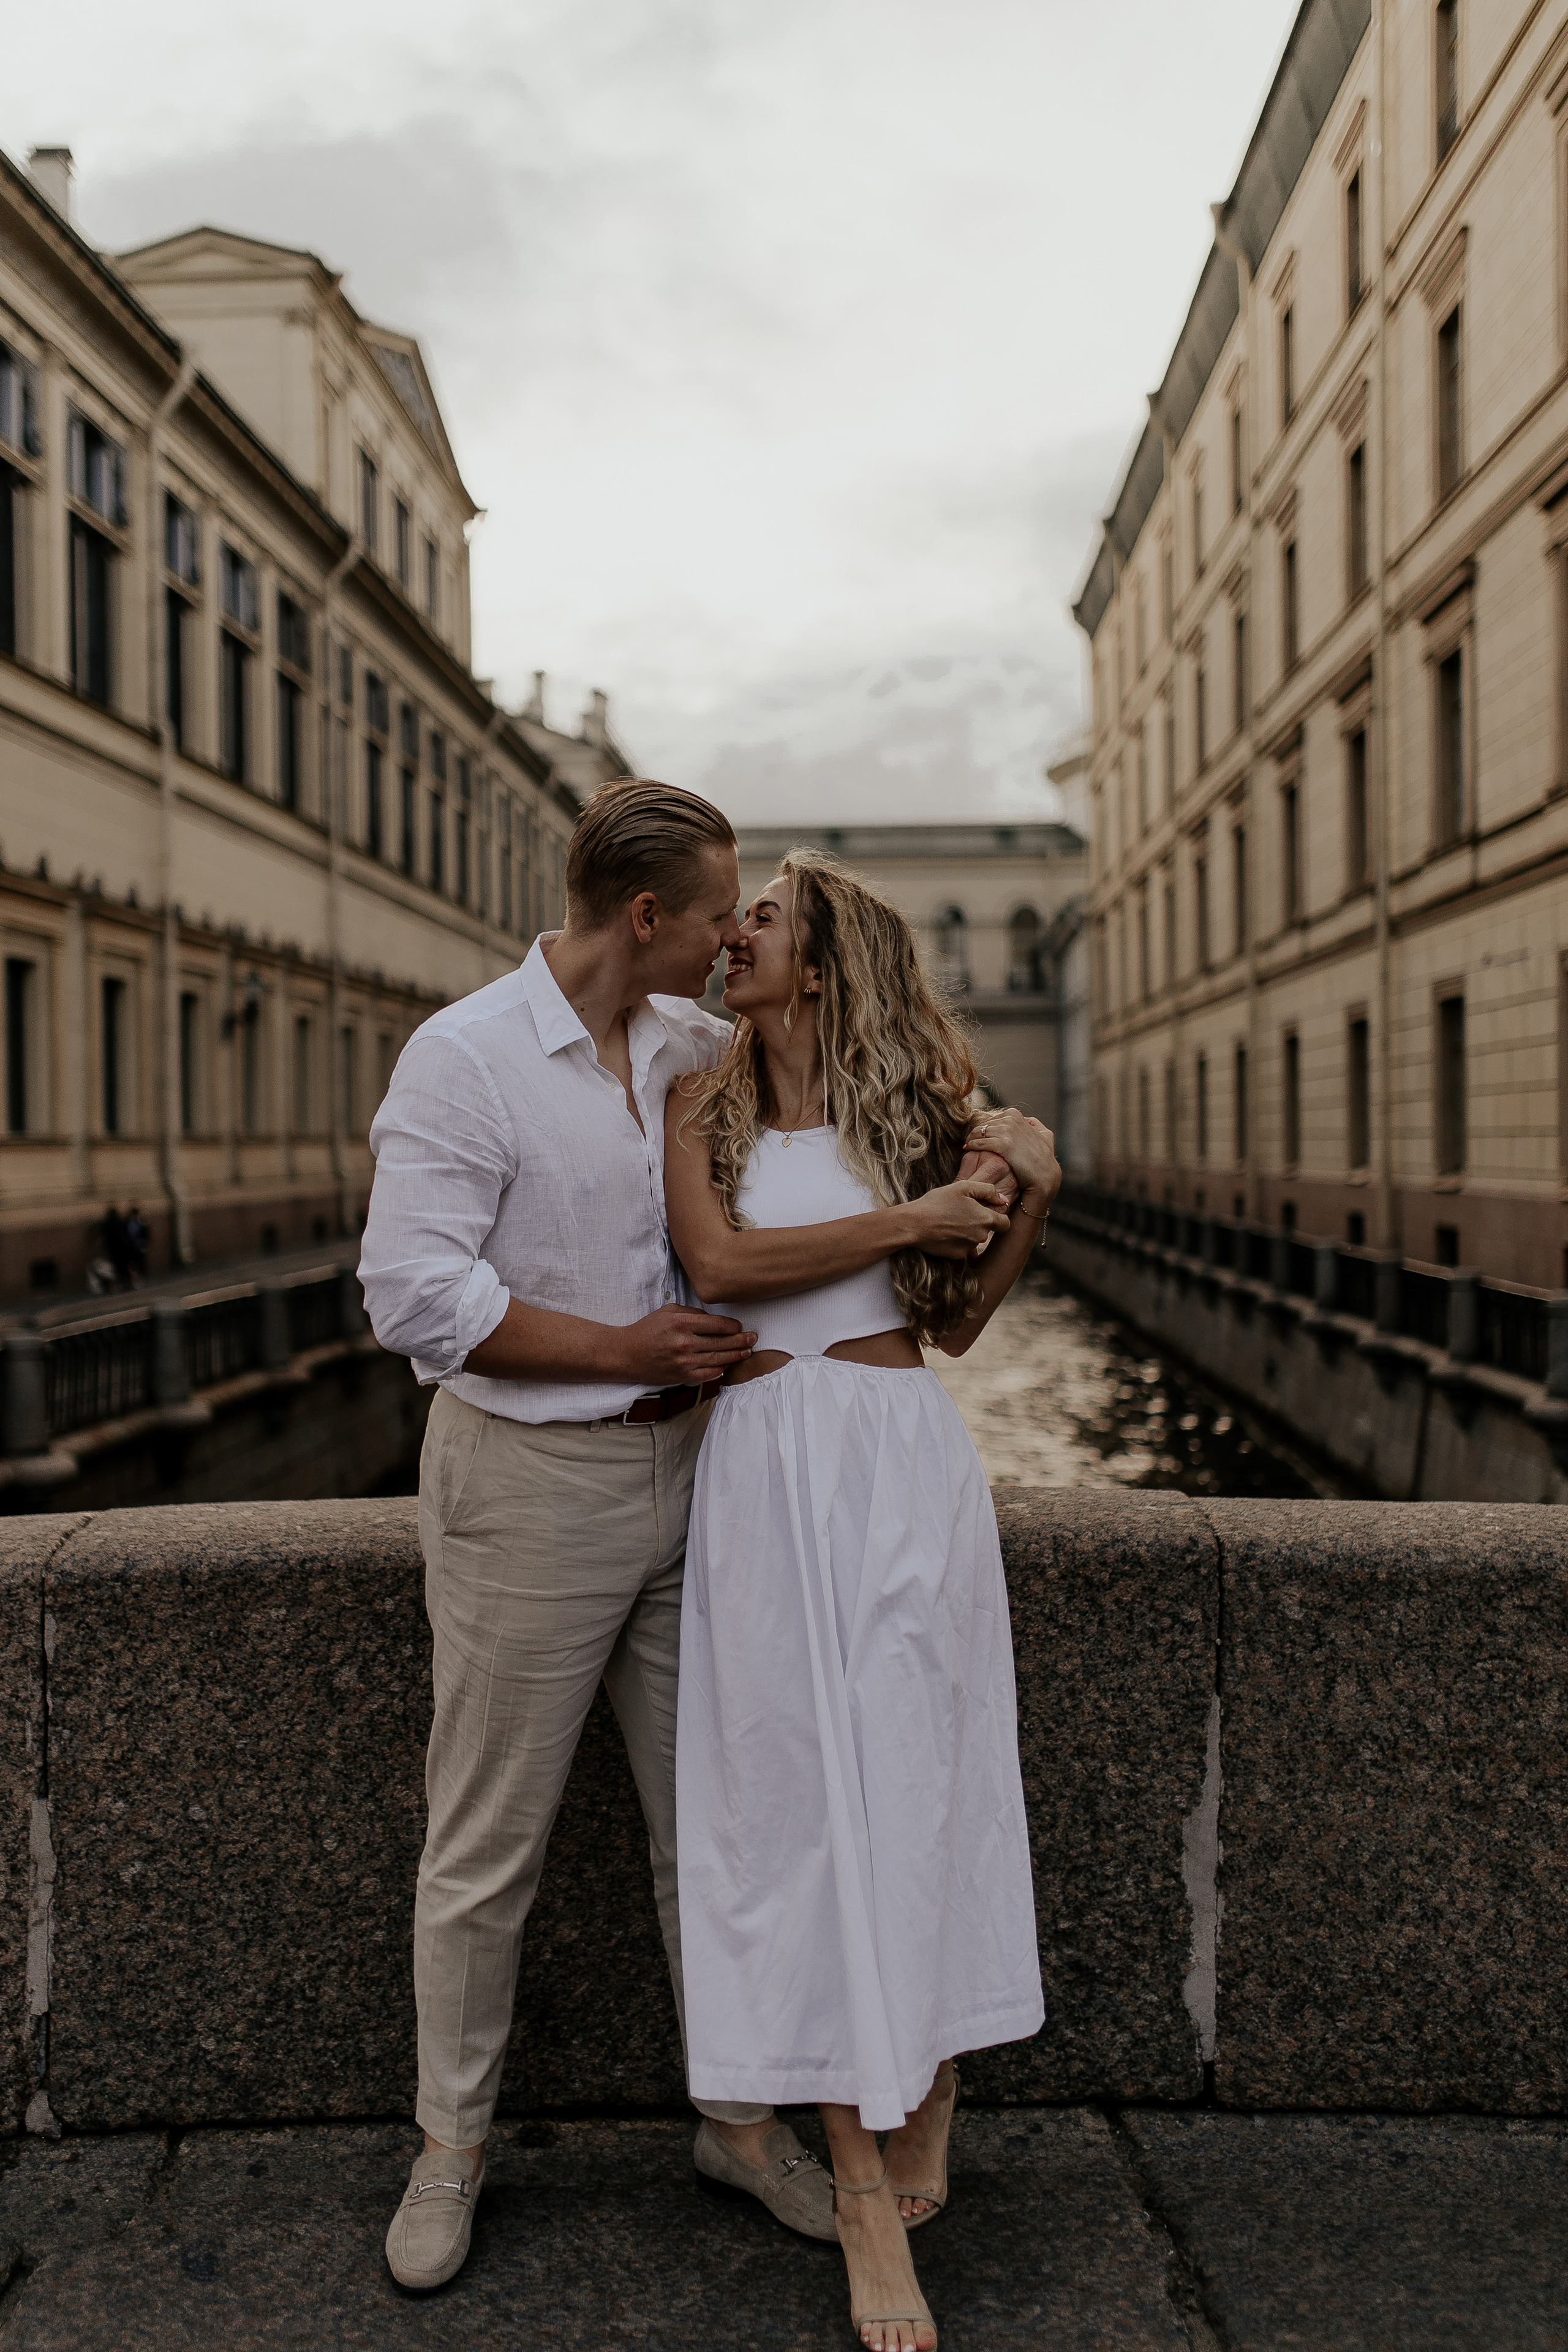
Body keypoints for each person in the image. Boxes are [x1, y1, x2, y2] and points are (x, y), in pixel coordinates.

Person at [358, 782, 1011, 2294]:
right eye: (720, 911)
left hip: (711, 1485)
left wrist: (999, 1139)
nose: (735, 939)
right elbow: (414, 1299)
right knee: (484, 1844)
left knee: (724, 1830)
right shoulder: (462, 1058)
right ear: (646, 917)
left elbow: (862, 1060)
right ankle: (448, 2151)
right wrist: (627, 1352)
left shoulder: (690, 1047)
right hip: (533, 1487)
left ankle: (737, 2124)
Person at [665, 851, 1060, 2352]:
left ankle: (936, 2077)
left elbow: (955, 1323)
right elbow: (724, 1265)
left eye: (759, 918)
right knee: (797, 1810)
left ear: (820, 963)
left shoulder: (924, 1105)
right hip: (764, 1473)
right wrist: (913, 1221)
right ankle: (850, 2186)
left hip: (898, 1463)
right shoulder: (699, 1100)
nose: (734, 935)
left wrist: (1027, 1194)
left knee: (921, 1780)